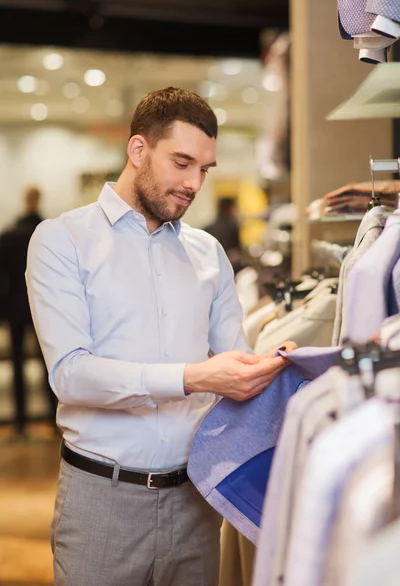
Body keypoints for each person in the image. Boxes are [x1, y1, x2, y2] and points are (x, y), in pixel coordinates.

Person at [26, 87, 295, 586]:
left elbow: (235, 357)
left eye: (204, 170)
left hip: (196, 500)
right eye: (182, 163)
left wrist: (275, 366)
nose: (195, 184)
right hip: (102, 503)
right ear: (137, 150)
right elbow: (72, 376)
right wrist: (194, 378)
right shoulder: (62, 241)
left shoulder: (208, 252)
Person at [0, 186, 56, 437]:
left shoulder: (10, 236)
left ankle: (20, 423)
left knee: (20, 366)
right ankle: (54, 420)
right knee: (49, 363)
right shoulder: (49, 234)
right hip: (42, 307)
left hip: (14, 308)